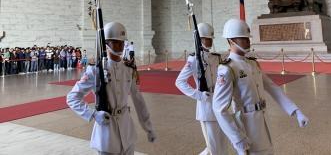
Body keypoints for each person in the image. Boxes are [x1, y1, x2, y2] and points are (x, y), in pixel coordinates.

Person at [213, 18, 309, 155]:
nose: (248, 41)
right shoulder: (227, 69)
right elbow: (218, 109)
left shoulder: (252, 63)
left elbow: (273, 88)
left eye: (248, 38)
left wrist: (296, 111)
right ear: (231, 40)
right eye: (243, 38)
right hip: (246, 128)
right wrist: (237, 138)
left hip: (263, 123)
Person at [67, 22, 156, 155]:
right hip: (107, 133)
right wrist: (93, 114)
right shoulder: (95, 71)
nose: (120, 46)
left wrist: (148, 127)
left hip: (127, 130)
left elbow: (138, 99)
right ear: (106, 44)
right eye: (115, 42)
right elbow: (72, 97)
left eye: (122, 42)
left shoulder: (128, 70)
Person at [176, 23, 227, 155]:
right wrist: (198, 95)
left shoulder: (216, 58)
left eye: (211, 39)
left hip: (220, 104)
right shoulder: (193, 60)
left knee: (222, 147)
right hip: (206, 107)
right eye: (206, 39)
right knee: (213, 149)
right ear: (199, 40)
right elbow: (179, 82)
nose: (209, 41)